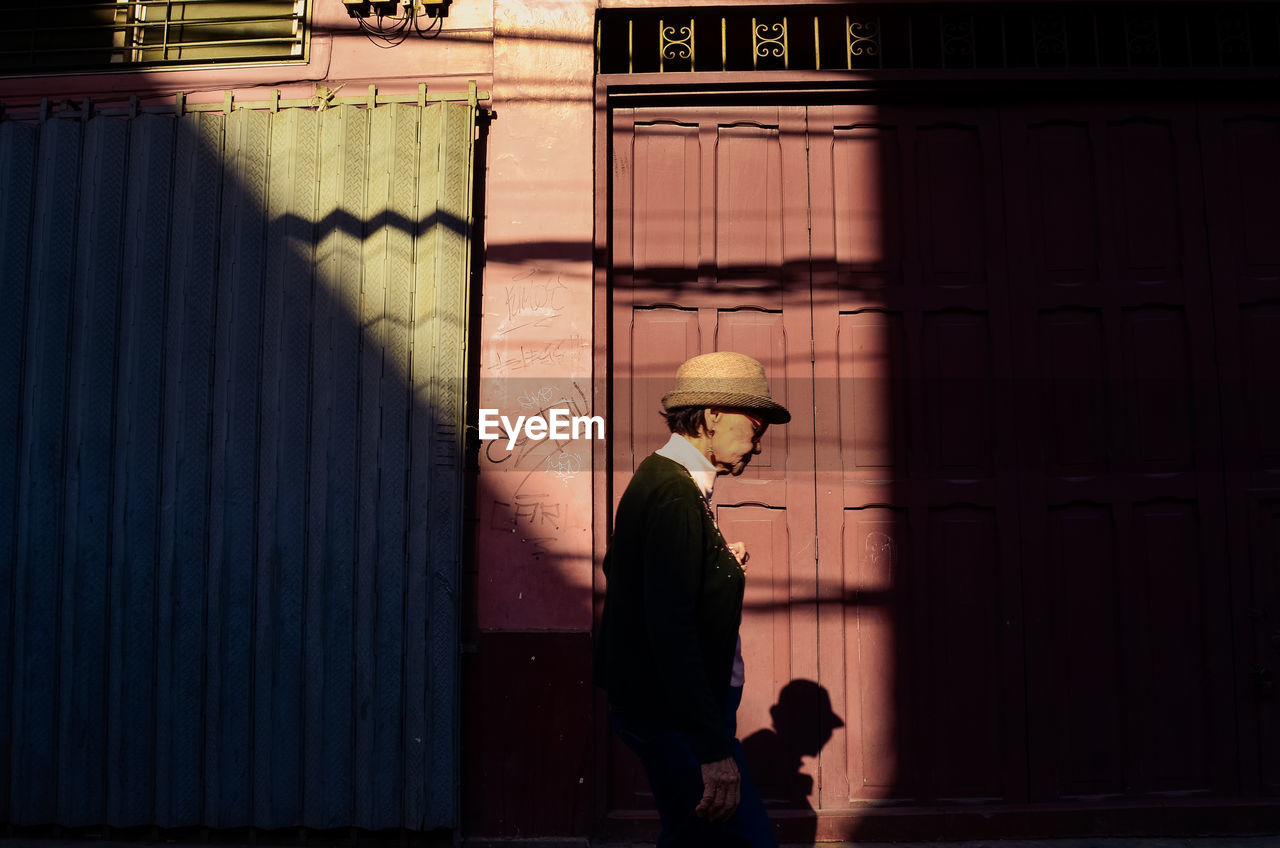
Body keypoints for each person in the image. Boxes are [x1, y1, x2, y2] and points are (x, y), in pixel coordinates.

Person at [595, 351, 790, 847]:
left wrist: (715, 561)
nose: (759, 443)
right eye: (756, 424)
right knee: (746, 840)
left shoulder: (663, 481)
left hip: (674, 710)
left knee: (692, 837)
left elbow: (623, 570)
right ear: (711, 416)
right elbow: (670, 627)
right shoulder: (675, 493)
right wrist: (711, 749)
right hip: (678, 715)